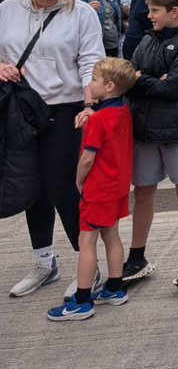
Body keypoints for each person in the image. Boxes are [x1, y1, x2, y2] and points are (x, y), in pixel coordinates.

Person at [0, 0, 106, 300]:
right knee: (31, 185)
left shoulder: (81, 13)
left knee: (62, 186)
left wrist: (90, 103)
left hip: (64, 106)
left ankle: (87, 264)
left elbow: (91, 59)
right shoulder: (8, 9)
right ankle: (44, 262)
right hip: (20, 105)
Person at [122, 0, 178, 293]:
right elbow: (126, 79)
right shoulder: (146, 40)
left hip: (177, 131)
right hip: (143, 129)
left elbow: (171, 89)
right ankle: (136, 256)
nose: (149, 15)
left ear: (174, 12)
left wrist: (140, 80)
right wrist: (148, 81)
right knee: (143, 193)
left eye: (155, 10)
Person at [47, 57, 136, 320]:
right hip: (118, 185)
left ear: (109, 86)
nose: (90, 84)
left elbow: (88, 158)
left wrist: (78, 180)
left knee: (86, 241)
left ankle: (82, 300)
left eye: (94, 80)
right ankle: (115, 288)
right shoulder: (123, 111)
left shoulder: (98, 120)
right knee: (112, 235)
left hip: (98, 188)